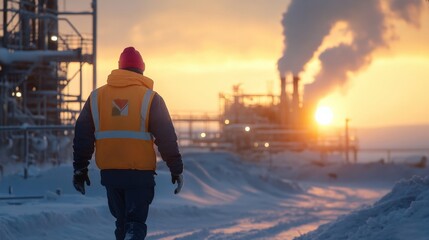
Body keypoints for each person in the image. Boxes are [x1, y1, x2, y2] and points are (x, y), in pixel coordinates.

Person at [72, 46, 184, 240]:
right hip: (140, 174)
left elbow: (83, 134)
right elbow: (166, 137)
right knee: (135, 224)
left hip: (111, 174)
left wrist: (80, 168)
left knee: (122, 223)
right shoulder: (150, 99)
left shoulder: (97, 97)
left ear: (119, 68)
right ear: (142, 70)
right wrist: (176, 168)